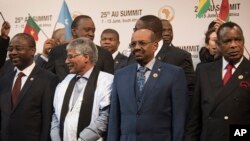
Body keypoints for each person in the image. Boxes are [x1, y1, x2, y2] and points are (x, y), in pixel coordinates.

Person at [107, 29, 187, 141]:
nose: (137, 47)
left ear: (155, 46)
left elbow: (179, 118)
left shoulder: (174, 74)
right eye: (133, 44)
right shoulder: (120, 75)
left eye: (142, 43)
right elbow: (114, 119)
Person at [184, 22, 250, 141]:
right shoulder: (203, 70)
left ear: (243, 41)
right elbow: (195, 118)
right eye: (227, 41)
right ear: (218, 45)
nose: (233, 45)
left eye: (237, 40)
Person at [50, 37, 113, 141]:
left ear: (86, 57)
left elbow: (105, 117)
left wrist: (83, 139)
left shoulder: (106, 80)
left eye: (70, 57)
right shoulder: (65, 81)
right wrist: (56, 138)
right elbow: (55, 115)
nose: (66, 61)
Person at [0, 33, 59, 141]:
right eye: (10, 49)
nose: (13, 53)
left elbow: (47, 120)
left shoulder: (48, 79)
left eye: (18, 49)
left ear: (32, 51)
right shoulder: (4, 80)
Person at [46, 15, 114, 81]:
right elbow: (49, 79)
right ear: (74, 31)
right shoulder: (57, 52)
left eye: (93, 31)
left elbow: (108, 81)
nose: (91, 34)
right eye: (87, 30)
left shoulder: (104, 54)